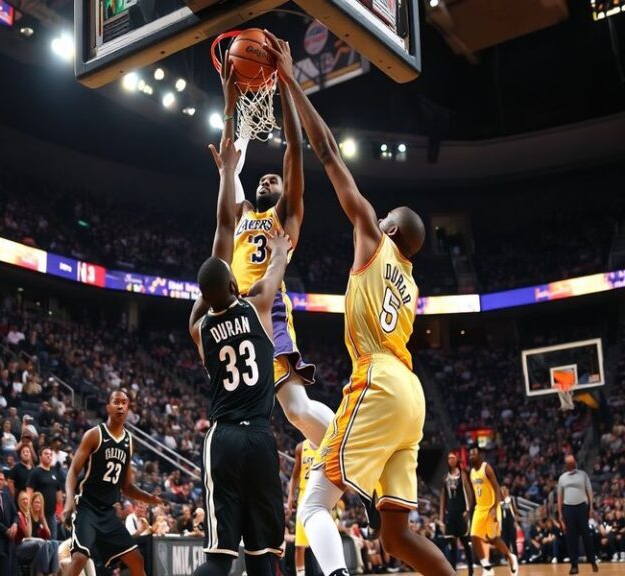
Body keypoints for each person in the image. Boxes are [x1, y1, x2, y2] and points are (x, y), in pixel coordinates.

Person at [262, 31, 449, 576]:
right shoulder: (410, 283)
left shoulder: (373, 235)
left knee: (315, 504)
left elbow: (327, 152)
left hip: (379, 380)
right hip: (411, 398)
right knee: (396, 536)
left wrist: (292, 80)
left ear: (388, 225)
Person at [216, 46, 333, 449]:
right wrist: (230, 102)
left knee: (296, 408)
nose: (267, 182)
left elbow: (294, 153)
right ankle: (335, 454)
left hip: (269, 310)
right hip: (236, 313)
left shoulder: (285, 217)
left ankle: (345, 447)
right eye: (262, 179)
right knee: (272, 411)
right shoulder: (242, 211)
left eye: (273, 180)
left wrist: (284, 82)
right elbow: (228, 164)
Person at [187, 130, 289, 575]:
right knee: (264, 557)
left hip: (223, 437)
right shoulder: (260, 305)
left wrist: (229, 172)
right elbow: (270, 256)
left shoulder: (198, 328)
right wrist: (281, 251)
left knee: (219, 558)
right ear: (234, 285)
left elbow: (223, 231)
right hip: (260, 437)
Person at [63, 389, 165, 576]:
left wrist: (150, 498)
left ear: (128, 408)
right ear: (108, 407)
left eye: (124, 402)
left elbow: (126, 487)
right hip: (87, 508)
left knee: (136, 559)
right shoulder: (94, 435)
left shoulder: (128, 441)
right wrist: (69, 500)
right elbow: (72, 471)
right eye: (116, 402)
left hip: (108, 513)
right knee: (79, 558)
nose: (120, 405)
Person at [468, 447, 518, 576]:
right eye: (470, 454)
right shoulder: (471, 472)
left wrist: (496, 508)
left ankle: (510, 557)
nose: (471, 456)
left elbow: (496, 488)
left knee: (493, 538)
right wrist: (469, 509)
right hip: (479, 508)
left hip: (491, 507)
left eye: (474, 454)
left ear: (480, 455)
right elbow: (474, 493)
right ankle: (487, 567)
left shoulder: (486, 468)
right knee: (474, 536)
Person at [558, 454, 598, 574]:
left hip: (582, 507)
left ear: (575, 462)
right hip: (568, 508)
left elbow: (589, 492)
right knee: (571, 538)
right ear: (566, 465)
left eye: (572, 462)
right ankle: (574, 565)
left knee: (586, 535)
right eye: (568, 463)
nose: (571, 464)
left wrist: (591, 508)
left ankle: (592, 561)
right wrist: (560, 514)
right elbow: (560, 497)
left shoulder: (583, 475)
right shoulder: (562, 478)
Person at [440, 451, 475, 576]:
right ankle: (453, 571)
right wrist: (441, 518)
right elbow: (443, 499)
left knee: (465, 543)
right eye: (448, 458)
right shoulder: (445, 477)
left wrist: (468, 510)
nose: (450, 460)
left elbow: (470, 493)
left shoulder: (463, 475)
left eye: (452, 458)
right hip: (451, 514)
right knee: (452, 543)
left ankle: (471, 569)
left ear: (457, 460)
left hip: (461, 513)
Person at [287, 440, 318, 576]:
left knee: (320, 543)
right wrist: (290, 496)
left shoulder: (326, 443)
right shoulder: (301, 447)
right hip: (304, 499)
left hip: (320, 497)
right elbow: (294, 475)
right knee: (300, 545)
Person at [26, 447, 62, 538]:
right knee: (41, 542)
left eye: (50, 454)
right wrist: (29, 510)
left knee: (53, 541)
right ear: (40, 457)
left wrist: (60, 511)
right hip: (39, 514)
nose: (49, 456)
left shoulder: (54, 473)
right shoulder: (35, 472)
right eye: (46, 454)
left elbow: (58, 494)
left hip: (52, 514)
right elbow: (29, 492)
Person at [500, 486, 519, 558]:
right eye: (502, 490)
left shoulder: (511, 499)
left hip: (511, 521)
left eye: (505, 490)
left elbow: (515, 511)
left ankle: (516, 556)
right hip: (503, 522)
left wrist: (516, 521)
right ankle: (506, 557)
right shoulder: (499, 501)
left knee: (513, 539)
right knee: (505, 540)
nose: (503, 491)